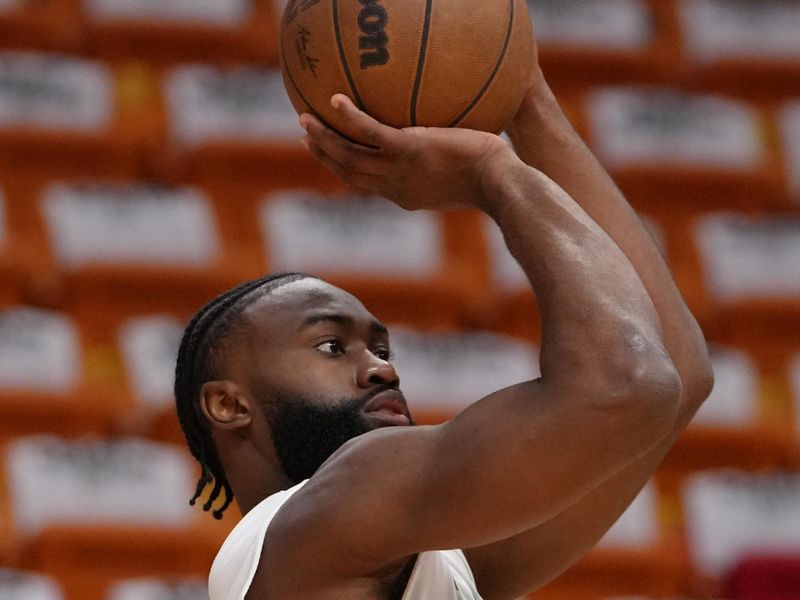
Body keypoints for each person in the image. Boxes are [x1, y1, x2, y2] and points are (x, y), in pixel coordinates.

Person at [173, 36, 714, 600]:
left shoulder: (418, 560)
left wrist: (522, 94)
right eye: (332, 346)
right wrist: (490, 170)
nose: (381, 370)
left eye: (382, 350)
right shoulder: (324, 517)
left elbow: (675, 372)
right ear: (229, 405)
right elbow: (628, 381)